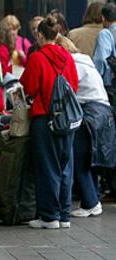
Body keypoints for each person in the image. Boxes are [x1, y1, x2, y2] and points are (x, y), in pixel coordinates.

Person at [20, 16, 78, 229]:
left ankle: (49, 216)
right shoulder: (68, 57)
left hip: (45, 118)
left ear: (41, 35)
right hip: (67, 119)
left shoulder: (37, 58)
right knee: (65, 166)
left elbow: (29, 88)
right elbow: (74, 85)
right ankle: (64, 215)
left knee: (47, 168)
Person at [57, 36, 114, 218]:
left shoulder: (71, 64)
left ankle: (90, 202)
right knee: (90, 160)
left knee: (79, 159)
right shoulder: (86, 61)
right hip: (103, 112)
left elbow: (67, 90)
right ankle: (93, 199)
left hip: (89, 113)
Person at [93, 2, 116, 89]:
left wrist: (97, 80)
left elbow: (100, 59)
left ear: (103, 18)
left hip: (110, 85)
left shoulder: (105, 34)